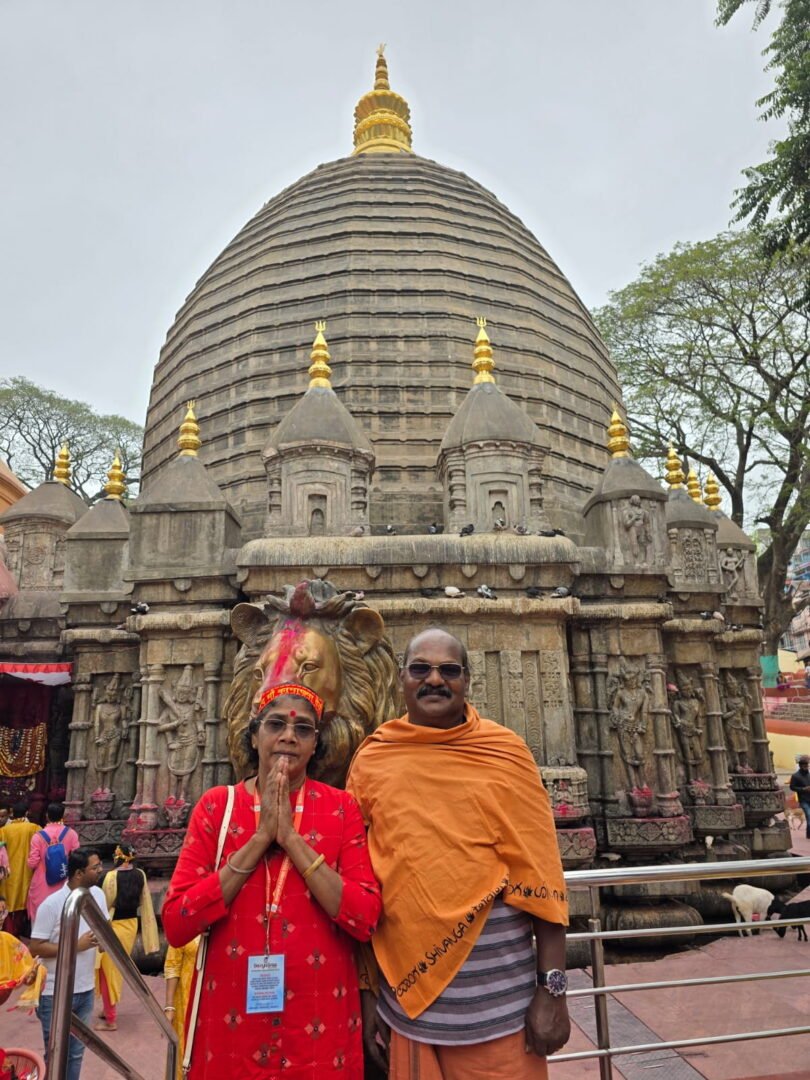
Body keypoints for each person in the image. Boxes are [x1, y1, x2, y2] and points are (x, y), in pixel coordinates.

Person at [347, 628, 570, 1080]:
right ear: (401, 679)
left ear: (467, 680)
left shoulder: (504, 753)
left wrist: (553, 992)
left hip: (502, 1013)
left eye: (449, 670)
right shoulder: (373, 759)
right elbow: (359, 881)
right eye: (421, 669)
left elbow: (543, 876)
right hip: (406, 1010)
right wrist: (367, 995)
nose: (435, 680)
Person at [162, 680, 381, 1079]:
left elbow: (364, 917)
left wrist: (292, 841)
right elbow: (177, 922)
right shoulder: (216, 807)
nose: (287, 737)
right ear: (254, 734)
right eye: (275, 724)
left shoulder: (341, 808)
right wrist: (260, 839)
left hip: (318, 1036)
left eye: (302, 730)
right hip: (232, 1038)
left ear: (316, 744)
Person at [29, 847, 109, 1080]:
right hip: (55, 992)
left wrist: (106, 942)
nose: (100, 871)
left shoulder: (98, 896)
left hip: (85, 990)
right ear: (78, 874)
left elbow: (103, 929)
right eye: (95, 868)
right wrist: (76, 945)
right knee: (55, 1054)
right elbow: (36, 947)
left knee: (76, 1054)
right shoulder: (52, 904)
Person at [95, 842, 159, 1030]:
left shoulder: (109, 877)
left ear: (118, 856)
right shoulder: (140, 875)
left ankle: (111, 1019)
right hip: (131, 925)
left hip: (112, 926)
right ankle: (109, 1008)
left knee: (108, 971)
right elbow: (143, 901)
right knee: (114, 968)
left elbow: (102, 905)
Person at [27, 802, 80, 923]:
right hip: (64, 880)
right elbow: (77, 858)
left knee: (41, 919)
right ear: (63, 816)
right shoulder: (71, 834)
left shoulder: (38, 836)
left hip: (42, 883)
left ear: (47, 816)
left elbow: (33, 863)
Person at [163, 935, 200, 1080]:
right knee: (183, 1054)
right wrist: (169, 1006)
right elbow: (172, 965)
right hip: (186, 1004)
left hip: (215, 1006)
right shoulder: (185, 923)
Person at [0, 894, 44, 1009]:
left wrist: (31, 975)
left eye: (3, 913)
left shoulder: (8, 941)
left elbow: (24, 973)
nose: (1, 918)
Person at [2, 802, 39, 936]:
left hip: (8, 872)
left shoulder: (4, 831)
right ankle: (19, 931)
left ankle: (9, 932)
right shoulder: (34, 828)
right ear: (27, 813)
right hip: (26, 871)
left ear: (12, 814)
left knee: (9, 902)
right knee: (23, 902)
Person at [790, 755, 810, 839]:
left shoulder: (809, 774)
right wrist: (803, 789)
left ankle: (809, 833)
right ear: (800, 765)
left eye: (807, 765)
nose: (806, 767)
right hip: (803, 800)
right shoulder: (795, 776)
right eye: (805, 765)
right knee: (809, 815)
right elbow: (792, 787)